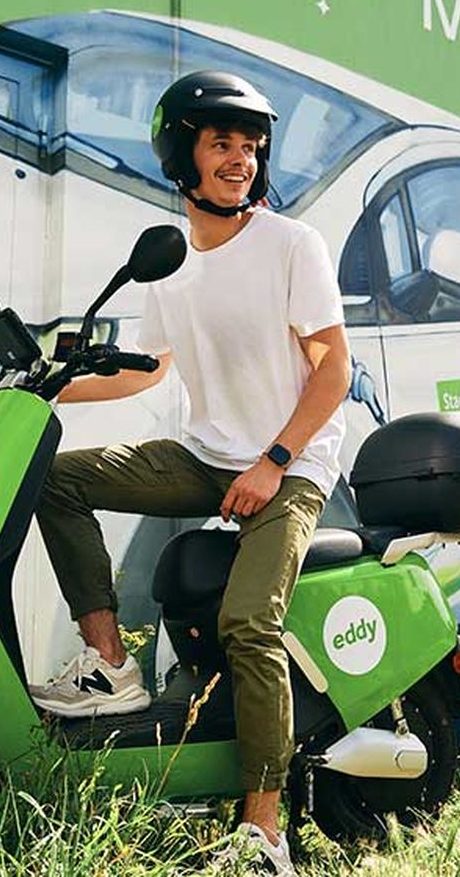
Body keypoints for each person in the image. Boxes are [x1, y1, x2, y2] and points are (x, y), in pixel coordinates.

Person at [29, 70, 350, 874]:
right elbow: (147, 370)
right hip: (207, 456)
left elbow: (334, 370)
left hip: (293, 460)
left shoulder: (290, 245)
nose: (241, 159)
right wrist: (48, 381)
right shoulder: (171, 259)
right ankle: (110, 662)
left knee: (249, 621)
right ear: (186, 155)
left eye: (250, 146)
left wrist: (276, 461)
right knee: (56, 478)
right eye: (222, 144)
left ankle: (265, 829)